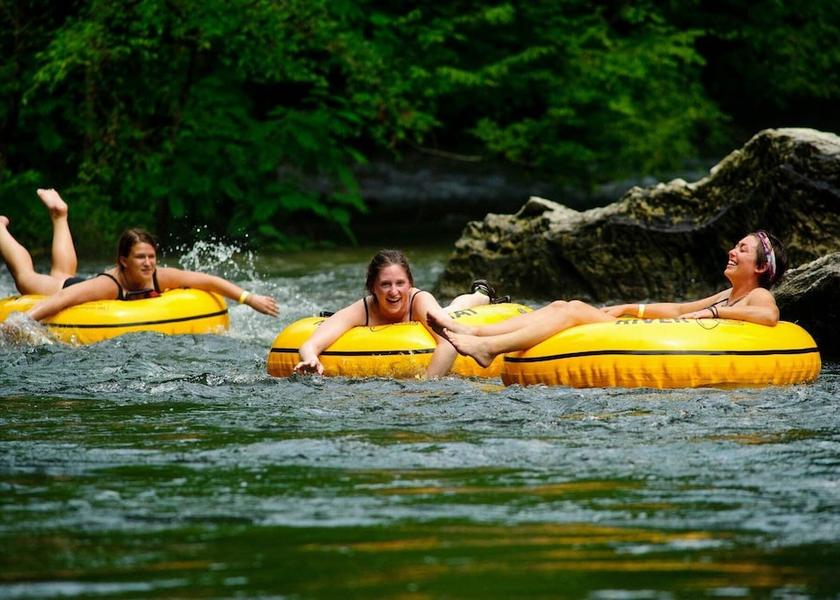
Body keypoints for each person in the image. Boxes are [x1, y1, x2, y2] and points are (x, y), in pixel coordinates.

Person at [428, 231, 788, 368]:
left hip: (658, 342)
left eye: (742, 249)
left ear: (759, 267)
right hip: (654, 331)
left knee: (574, 312)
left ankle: (490, 348)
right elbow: (679, 309)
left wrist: (719, 315)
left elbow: (770, 317)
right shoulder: (730, 293)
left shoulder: (756, 294)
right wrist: (630, 307)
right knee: (560, 307)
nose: (731, 251)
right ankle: (474, 335)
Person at [0, 188, 279, 323]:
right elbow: (63, 297)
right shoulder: (109, 284)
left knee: (63, 271)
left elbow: (207, 281)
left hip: (77, 283)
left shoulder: (160, 275)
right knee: (28, 279)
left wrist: (248, 298)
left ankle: (60, 215)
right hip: (70, 289)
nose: (147, 263)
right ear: (123, 260)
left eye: (151, 256)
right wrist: (24, 321)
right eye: (140, 258)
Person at [293, 248, 508, 378]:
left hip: (426, 312)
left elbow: (449, 343)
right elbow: (310, 344)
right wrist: (311, 359)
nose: (394, 292)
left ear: (410, 284)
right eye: (385, 284)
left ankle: (482, 293)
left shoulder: (418, 299)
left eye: (400, 283)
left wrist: (426, 386)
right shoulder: (363, 309)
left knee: (451, 311)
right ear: (373, 288)